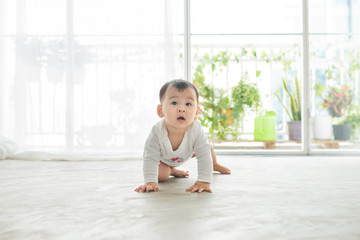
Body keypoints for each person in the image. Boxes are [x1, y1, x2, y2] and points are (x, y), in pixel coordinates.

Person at [134, 79, 230, 193]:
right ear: (160, 111)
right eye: (174, 103)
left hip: (188, 152)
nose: (181, 109)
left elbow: (203, 154)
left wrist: (203, 181)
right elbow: (151, 158)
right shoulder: (157, 131)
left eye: (188, 104)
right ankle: (171, 171)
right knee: (162, 176)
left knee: (206, 148)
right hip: (161, 157)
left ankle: (214, 164)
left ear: (196, 112)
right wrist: (150, 181)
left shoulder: (196, 129)